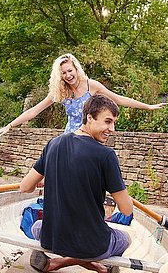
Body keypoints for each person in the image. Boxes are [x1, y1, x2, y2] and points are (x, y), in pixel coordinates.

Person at [20, 94, 133, 273]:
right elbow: (126, 210)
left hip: (51, 239)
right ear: (89, 117)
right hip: (92, 245)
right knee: (125, 238)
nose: (112, 129)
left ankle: (58, 263)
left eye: (113, 123)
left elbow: (25, 187)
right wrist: (119, 190)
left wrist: (45, 181)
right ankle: (98, 267)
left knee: (36, 227)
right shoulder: (106, 156)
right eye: (108, 121)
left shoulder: (53, 144)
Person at [0, 53, 165, 136]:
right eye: (64, 73)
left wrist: (148, 106)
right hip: (70, 136)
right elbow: (33, 111)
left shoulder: (92, 86)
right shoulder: (61, 92)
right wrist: (9, 126)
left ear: (76, 69)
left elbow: (118, 99)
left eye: (69, 70)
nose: (68, 75)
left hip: (89, 135)